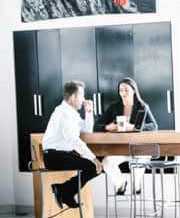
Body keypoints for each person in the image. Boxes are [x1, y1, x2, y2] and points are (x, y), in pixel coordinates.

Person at [41, 80, 101, 209]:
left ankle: (64, 191)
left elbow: (87, 130)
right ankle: (63, 191)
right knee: (93, 166)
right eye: (82, 96)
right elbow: (73, 139)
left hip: (61, 155)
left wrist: (89, 112)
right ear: (73, 98)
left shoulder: (71, 113)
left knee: (94, 167)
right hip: (54, 157)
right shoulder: (63, 113)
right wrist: (93, 157)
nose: (84, 99)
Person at [95, 77, 158, 194]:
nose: (123, 93)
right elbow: (96, 125)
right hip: (121, 149)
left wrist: (134, 128)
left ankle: (136, 185)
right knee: (106, 162)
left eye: (126, 90)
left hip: (140, 148)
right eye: (120, 90)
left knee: (137, 168)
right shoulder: (114, 107)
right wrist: (106, 127)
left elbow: (153, 126)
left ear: (134, 91)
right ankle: (120, 183)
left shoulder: (143, 106)